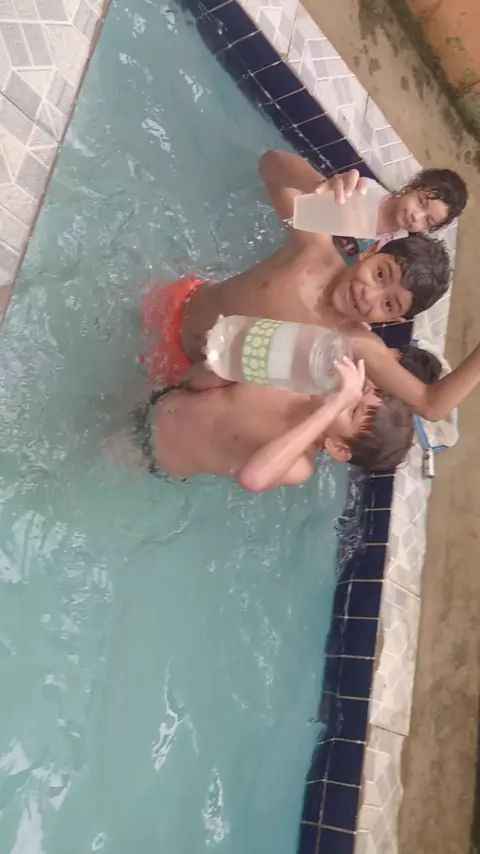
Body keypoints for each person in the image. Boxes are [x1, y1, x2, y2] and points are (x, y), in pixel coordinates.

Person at [140, 148, 476, 422]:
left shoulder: (353, 341)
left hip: (184, 374)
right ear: (370, 252)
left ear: (394, 320)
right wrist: (318, 183)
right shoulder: (314, 248)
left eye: (388, 304)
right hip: (175, 305)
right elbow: (270, 166)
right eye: (379, 274)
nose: (368, 295)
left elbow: (431, 404)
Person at [107, 358, 414, 491]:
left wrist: (331, 405)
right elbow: (207, 382)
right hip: (157, 398)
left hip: (148, 452)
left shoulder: (298, 465)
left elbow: (253, 478)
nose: (346, 393)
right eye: (359, 392)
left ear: (337, 447)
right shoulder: (296, 379)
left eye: (351, 409)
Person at [268, 151, 467, 263]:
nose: (417, 216)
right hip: (299, 237)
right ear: (411, 187)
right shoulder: (366, 190)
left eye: (427, 221)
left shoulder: (397, 246)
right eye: (421, 202)